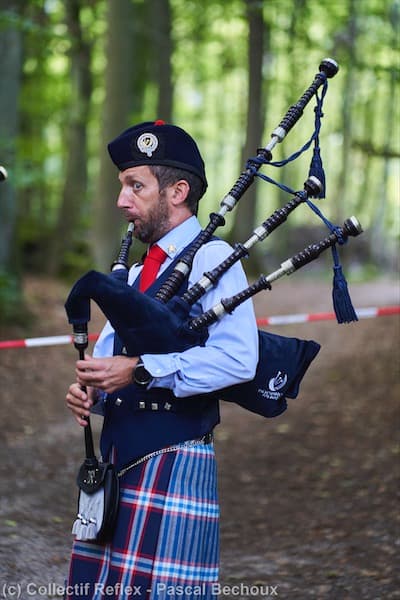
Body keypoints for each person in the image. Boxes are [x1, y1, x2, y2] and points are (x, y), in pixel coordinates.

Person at [65, 120, 258, 599]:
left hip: (174, 459)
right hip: (114, 462)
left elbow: (239, 360)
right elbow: (112, 358)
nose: (121, 200)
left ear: (178, 192)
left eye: (136, 186)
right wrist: (91, 389)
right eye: (122, 186)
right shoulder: (134, 274)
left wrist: (140, 371)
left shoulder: (214, 259)